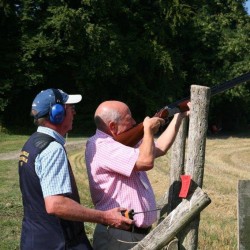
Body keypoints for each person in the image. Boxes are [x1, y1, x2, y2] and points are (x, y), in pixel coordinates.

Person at [18, 89, 133, 250]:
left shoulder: (32, 143)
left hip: (35, 239)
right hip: (59, 242)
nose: (74, 112)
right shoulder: (52, 149)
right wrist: (106, 216)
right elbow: (56, 204)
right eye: (70, 108)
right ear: (57, 113)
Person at [85, 100, 191, 250]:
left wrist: (178, 117)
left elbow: (159, 148)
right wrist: (148, 131)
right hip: (118, 237)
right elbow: (146, 162)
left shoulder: (118, 144)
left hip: (132, 236)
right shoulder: (101, 146)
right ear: (112, 126)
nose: (135, 122)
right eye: (129, 119)